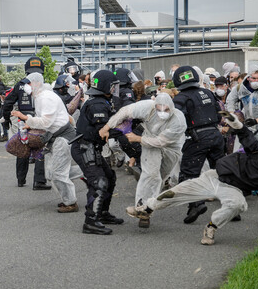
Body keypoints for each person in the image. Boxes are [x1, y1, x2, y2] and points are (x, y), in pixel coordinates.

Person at [125, 114, 258, 245]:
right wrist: (236, 124)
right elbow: (247, 138)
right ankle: (147, 208)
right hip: (215, 177)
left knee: (237, 205)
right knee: (176, 192)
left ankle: (211, 228)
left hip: (234, 190)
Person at [99, 93, 187, 228]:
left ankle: (149, 202)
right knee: (151, 175)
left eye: (166, 110)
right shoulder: (147, 107)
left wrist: (138, 139)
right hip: (148, 141)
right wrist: (106, 127)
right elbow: (124, 112)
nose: (162, 112)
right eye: (159, 109)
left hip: (171, 146)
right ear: (154, 106)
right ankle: (142, 209)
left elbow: (161, 141)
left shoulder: (178, 120)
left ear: (172, 107)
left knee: (162, 176)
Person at [12, 72, 81, 212]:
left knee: (58, 174)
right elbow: (45, 120)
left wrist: (25, 118)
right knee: (50, 173)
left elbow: (46, 122)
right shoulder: (39, 97)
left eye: (29, 83)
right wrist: (31, 124)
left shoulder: (46, 98)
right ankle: (85, 171)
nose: (26, 87)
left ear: (37, 83)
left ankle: (70, 202)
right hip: (54, 137)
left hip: (63, 136)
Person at [71, 70, 124, 235]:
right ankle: (91, 221)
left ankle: (102, 213)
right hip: (85, 147)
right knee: (98, 182)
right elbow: (103, 131)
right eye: (113, 86)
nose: (115, 89)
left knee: (109, 177)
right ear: (105, 86)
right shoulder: (97, 104)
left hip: (91, 147)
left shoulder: (101, 101)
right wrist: (127, 133)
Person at [172, 65, 225, 224]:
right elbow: (219, 113)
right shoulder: (208, 92)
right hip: (216, 136)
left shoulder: (180, 98)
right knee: (222, 172)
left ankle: (196, 204)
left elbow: (177, 120)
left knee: (188, 174)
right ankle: (231, 206)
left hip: (196, 138)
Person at [2, 57, 51, 190]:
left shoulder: (19, 85)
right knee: (40, 148)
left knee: (22, 148)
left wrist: (6, 119)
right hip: (38, 121)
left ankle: (20, 179)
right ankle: (39, 181)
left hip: (23, 121)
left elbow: (7, 103)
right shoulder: (45, 86)